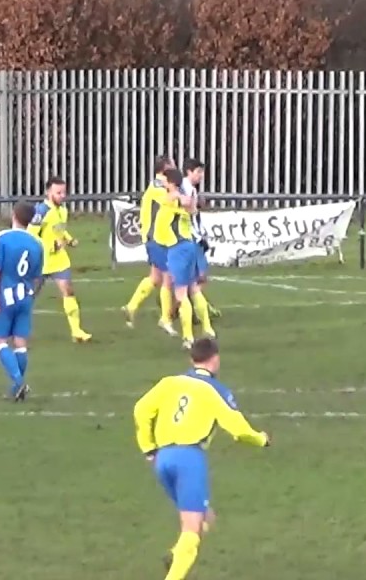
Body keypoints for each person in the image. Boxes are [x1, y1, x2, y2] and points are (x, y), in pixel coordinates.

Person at [132, 337, 271, 580]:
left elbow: (141, 410)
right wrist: (261, 439)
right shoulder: (215, 390)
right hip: (189, 460)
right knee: (192, 530)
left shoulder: (169, 383)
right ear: (215, 359)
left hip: (163, 459)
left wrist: (148, 448)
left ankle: (175, 556)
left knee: (205, 517)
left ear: (191, 359)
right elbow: (238, 429)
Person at [0, 200, 46, 401]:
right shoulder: (37, 243)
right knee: (20, 342)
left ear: (13, 215)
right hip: (25, 296)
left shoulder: (3, 238)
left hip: (5, 297)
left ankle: (19, 382)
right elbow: (38, 276)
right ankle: (15, 389)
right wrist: (31, 296)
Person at [157, 167, 215, 349]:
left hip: (178, 249)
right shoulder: (181, 199)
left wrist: (178, 196)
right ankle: (208, 329)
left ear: (171, 182)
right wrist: (188, 202)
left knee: (181, 294)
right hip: (188, 246)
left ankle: (188, 338)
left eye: (164, 180)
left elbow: (174, 200)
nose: (162, 182)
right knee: (194, 289)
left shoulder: (170, 196)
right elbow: (191, 208)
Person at [29, 177, 92, 342]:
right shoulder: (41, 211)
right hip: (41, 261)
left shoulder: (63, 209)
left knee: (69, 291)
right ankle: (10, 327)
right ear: (48, 192)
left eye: (64, 192)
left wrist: (69, 240)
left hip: (59, 260)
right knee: (28, 296)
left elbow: (59, 230)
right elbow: (30, 236)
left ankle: (76, 331)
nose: (62, 195)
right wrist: (51, 246)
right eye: (58, 192)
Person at [124, 156, 178, 335]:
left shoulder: (160, 185)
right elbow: (169, 201)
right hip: (156, 237)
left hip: (156, 236)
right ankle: (165, 319)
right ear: (165, 168)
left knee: (155, 277)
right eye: (172, 165)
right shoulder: (158, 186)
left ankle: (131, 307)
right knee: (167, 277)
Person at [180, 159, 221, 321]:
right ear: (189, 172)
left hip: (190, 236)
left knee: (192, 278)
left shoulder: (185, 187)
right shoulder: (187, 189)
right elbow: (189, 212)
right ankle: (190, 310)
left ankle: (185, 308)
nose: (201, 176)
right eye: (198, 172)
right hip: (192, 237)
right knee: (200, 277)